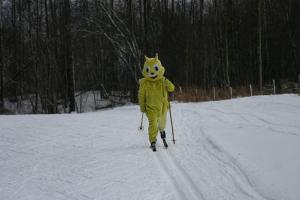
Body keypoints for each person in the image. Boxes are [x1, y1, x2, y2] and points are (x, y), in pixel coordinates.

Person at [138, 53, 175, 151]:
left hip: (163, 107)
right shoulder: (144, 83)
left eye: (155, 69)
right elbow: (141, 95)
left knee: (162, 124)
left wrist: (168, 85)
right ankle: (153, 141)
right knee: (153, 124)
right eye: (148, 70)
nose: (152, 73)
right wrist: (142, 106)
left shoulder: (163, 80)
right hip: (150, 108)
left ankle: (162, 131)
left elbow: (171, 88)